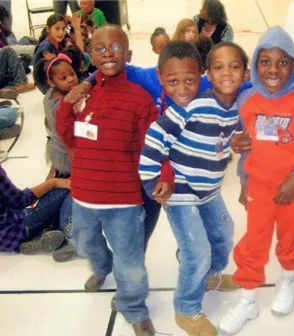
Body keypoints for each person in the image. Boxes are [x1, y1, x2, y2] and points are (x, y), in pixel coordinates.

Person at [55, 24, 173, 335]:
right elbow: (67, 135)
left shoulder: (139, 98)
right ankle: (101, 266)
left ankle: (133, 308)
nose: (108, 52)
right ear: (90, 55)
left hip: (123, 200)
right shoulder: (82, 94)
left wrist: (165, 175)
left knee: (130, 262)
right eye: (100, 48)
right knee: (83, 242)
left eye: (116, 47)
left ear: (129, 55)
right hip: (82, 197)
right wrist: (67, 106)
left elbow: (154, 145)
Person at [218, 26, 294, 335]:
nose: (273, 69)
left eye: (282, 61)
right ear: (255, 64)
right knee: (255, 240)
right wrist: (243, 181)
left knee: (291, 236)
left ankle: (287, 281)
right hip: (259, 188)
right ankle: (249, 298)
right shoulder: (246, 99)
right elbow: (243, 142)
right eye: (265, 61)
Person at [139, 41, 249, 336]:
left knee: (224, 235)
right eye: (219, 67)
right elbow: (154, 137)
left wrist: (239, 140)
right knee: (196, 250)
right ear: (208, 74)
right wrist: (152, 181)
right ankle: (186, 308)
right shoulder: (192, 105)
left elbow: (232, 132)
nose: (227, 73)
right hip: (182, 192)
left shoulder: (237, 104)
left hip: (210, 189)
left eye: (234, 67)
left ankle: (209, 274)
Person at [35, 54, 80, 262]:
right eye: (64, 77)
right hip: (70, 157)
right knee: (74, 192)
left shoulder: (49, 95)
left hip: (56, 154)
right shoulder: (63, 105)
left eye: (71, 73)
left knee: (56, 187)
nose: (71, 79)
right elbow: (74, 135)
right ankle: (69, 234)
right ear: (52, 82)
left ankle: (45, 225)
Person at [0, 164, 70, 255]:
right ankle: (68, 236)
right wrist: (53, 183)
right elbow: (19, 201)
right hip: (15, 230)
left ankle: (45, 232)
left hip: (4, 242)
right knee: (67, 188)